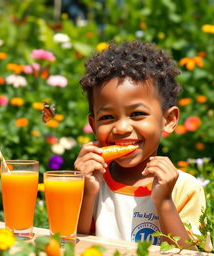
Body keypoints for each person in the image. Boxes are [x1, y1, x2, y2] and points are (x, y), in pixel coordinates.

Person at [74, 40, 206, 247]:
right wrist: (87, 192)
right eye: (108, 117)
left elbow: (189, 251)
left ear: (168, 120)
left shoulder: (184, 188)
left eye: (137, 114)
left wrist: (164, 202)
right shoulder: (92, 181)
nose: (122, 128)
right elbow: (72, 243)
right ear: (93, 124)